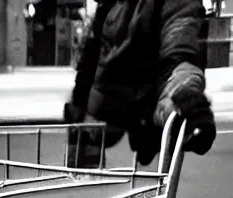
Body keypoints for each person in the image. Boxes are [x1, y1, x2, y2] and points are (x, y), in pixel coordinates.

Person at [64, 0, 216, 167]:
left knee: (156, 180)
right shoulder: (110, 6)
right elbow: (94, 54)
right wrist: (79, 103)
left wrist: (185, 96)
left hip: (146, 109)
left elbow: (179, 52)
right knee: (84, 180)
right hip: (103, 112)